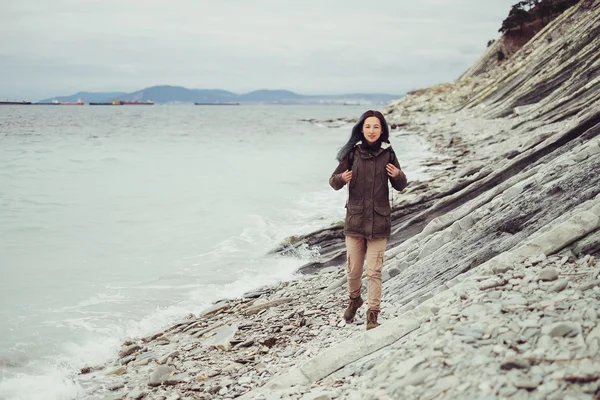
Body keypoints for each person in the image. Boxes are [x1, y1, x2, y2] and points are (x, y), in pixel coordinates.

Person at [329, 110, 407, 330]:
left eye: (376, 127)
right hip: (355, 222)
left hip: (379, 222)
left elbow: (401, 186)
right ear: (361, 129)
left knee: (374, 271)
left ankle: (373, 313)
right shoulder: (352, 154)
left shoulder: (388, 153)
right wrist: (341, 178)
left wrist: (397, 176)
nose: (371, 131)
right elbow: (333, 182)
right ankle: (355, 299)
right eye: (367, 127)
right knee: (353, 271)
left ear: (382, 130)